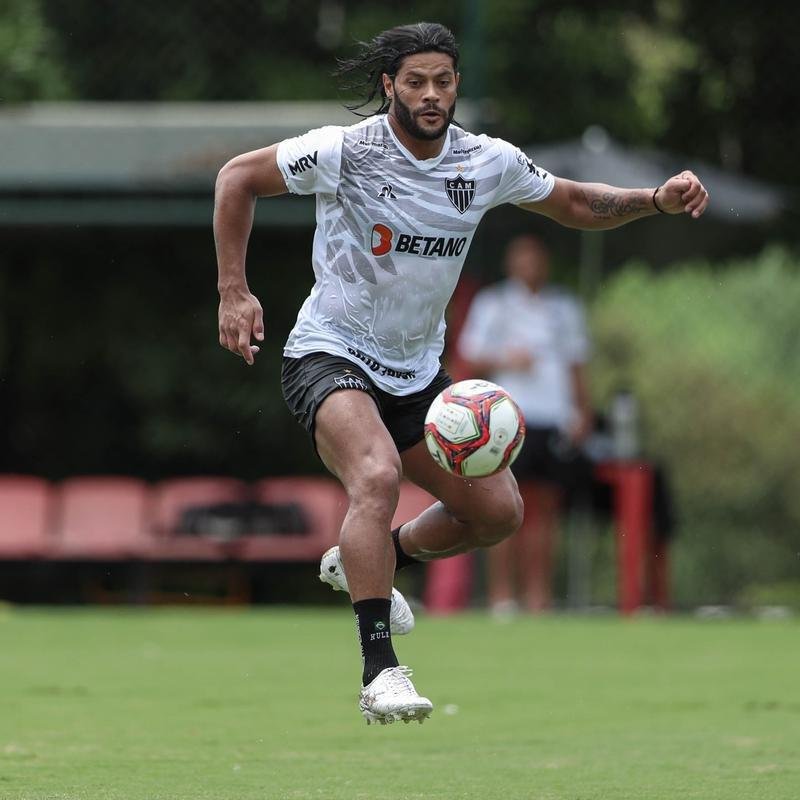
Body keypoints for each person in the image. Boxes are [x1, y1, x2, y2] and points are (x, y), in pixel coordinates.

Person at [213, 22, 709, 726]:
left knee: (498, 513)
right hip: (330, 352)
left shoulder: (485, 162)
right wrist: (234, 291)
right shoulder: (346, 151)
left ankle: (375, 558)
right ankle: (380, 671)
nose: (430, 94)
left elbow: (572, 202)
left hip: (417, 375)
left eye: (442, 81)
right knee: (377, 476)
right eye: (415, 81)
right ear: (389, 85)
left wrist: (653, 200)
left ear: (456, 87)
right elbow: (237, 178)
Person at [458, 234, 594, 614]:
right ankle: (503, 597)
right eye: (523, 258)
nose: (530, 266)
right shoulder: (494, 303)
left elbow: (577, 364)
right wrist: (506, 359)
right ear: (511, 264)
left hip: (553, 418)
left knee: (544, 509)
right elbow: (469, 354)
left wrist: (583, 411)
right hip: (507, 418)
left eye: (536, 258)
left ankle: (539, 597)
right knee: (503, 507)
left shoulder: (564, 307)